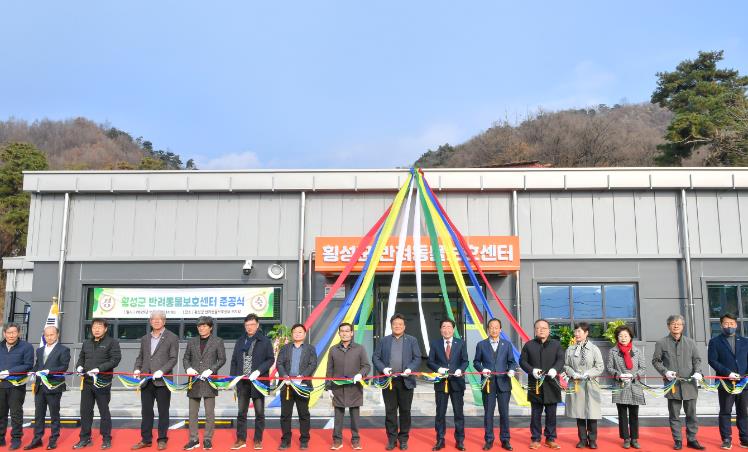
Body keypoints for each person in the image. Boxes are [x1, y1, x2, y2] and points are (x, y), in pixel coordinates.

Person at [652, 314, 705, 451]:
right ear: (668, 326)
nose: (676, 326)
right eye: (673, 323)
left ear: (683, 326)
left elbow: (697, 360)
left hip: (689, 384)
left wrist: (698, 372)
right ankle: (678, 440)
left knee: (691, 414)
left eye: (679, 323)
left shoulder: (690, 342)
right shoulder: (661, 343)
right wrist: (665, 372)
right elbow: (656, 361)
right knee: (674, 415)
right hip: (672, 384)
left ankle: (692, 439)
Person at [372, 313, 422, 451]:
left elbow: (417, 358)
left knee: (405, 411)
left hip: (406, 381)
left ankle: (403, 439)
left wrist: (410, 368)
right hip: (389, 381)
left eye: (400, 324)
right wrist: (383, 369)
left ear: (404, 326)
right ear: (391, 326)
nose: (397, 326)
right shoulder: (384, 341)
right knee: (390, 411)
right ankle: (392, 439)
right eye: (395, 324)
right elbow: (376, 357)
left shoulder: (412, 340)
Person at [131, 311, 179, 451]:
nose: (156, 321)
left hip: (163, 381)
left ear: (164, 321)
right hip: (146, 380)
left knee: (163, 411)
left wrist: (162, 371)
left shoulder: (172, 337)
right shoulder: (145, 338)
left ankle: (162, 439)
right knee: (146, 411)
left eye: (159, 319)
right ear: (150, 321)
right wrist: (137, 369)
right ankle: (146, 439)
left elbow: (173, 359)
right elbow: (140, 357)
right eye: (154, 319)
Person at [73, 319, 122, 450]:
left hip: (102, 382)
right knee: (85, 411)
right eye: (94, 327)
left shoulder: (112, 342)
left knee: (104, 411)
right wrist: (79, 366)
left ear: (105, 329)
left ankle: (106, 438)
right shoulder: (86, 343)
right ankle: (84, 438)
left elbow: (115, 360)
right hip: (87, 382)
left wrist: (99, 369)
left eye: (100, 327)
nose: (96, 329)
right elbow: (81, 358)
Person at [230, 314, 275, 450]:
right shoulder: (240, 341)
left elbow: (270, 359)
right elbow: (234, 360)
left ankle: (258, 440)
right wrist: (233, 378)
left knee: (259, 413)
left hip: (258, 382)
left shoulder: (265, 341)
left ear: (257, 325)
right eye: (247, 325)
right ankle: (241, 439)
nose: (249, 327)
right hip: (242, 382)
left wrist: (259, 371)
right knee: (241, 413)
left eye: (252, 324)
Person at [473, 318, 518, 451]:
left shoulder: (507, 344)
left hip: (504, 383)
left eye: (496, 327)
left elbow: (512, 362)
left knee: (504, 413)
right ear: (488, 329)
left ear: (500, 329)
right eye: (491, 327)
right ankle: (489, 440)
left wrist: (512, 370)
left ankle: (505, 440)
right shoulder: (481, 344)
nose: (493, 329)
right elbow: (476, 362)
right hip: (488, 384)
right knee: (488, 414)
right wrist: (482, 370)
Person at [182, 316, 226, 451]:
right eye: (199, 326)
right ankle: (193, 439)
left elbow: (222, 359)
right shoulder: (192, 341)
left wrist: (211, 370)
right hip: (194, 381)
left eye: (204, 326)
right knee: (192, 413)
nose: (201, 328)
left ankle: (207, 439)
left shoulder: (217, 341)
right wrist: (188, 368)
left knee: (209, 413)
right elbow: (186, 358)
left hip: (209, 380)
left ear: (210, 327)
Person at [520, 319, 564, 450]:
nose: (541, 330)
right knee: (535, 414)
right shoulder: (529, 345)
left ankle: (550, 438)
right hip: (535, 384)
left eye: (544, 328)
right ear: (535, 330)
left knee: (551, 414)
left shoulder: (556, 345)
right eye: (538, 328)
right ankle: (535, 439)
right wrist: (532, 370)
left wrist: (555, 369)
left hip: (552, 384)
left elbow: (561, 359)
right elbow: (522, 361)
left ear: (549, 330)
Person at [24, 326, 70, 451]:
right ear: (44, 336)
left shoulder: (63, 350)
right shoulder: (40, 350)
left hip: (54, 386)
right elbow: (38, 365)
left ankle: (53, 439)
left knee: (54, 414)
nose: (49, 337)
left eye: (52, 334)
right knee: (39, 415)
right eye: (46, 335)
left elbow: (64, 367)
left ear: (57, 335)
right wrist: (32, 371)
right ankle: (37, 439)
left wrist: (49, 371)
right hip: (39, 387)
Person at [326, 322, 371, 451]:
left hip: (354, 387)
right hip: (338, 387)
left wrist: (360, 374)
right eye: (342, 331)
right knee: (338, 415)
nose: (344, 333)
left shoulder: (360, 348)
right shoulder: (333, 349)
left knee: (355, 416)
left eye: (347, 331)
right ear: (339, 333)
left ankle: (355, 440)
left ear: (351, 333)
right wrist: (328, 387)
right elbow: (329, 369)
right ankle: (337, 441)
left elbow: (366, 366)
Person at [427, 318, 469, 452]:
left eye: (449, 326)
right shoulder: (435, 344)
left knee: (458, 413)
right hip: (441, 383)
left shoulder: (461, 343)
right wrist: (438, 368)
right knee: (440, 413)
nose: (446, 329)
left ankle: (460, 441)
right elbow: (430, 361)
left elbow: (465, 361)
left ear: (453, 329)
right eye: (444, 327)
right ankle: (440, 440)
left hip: (457, 383)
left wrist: (460, 370)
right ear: (440, 329)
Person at [708, 313, 748, 450]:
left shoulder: (745, 341)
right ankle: (726, 439)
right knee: (725, 411)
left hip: (743, 383)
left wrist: (745, 375)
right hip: (726, 383)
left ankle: (745, 438)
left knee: (743, 412)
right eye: (726, 323)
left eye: (731, 323)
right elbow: (712, 360)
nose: (729, 326)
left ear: (736, 325)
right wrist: (728, 373)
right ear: (721, 325)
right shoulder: (715, 342)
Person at [276, 324, 317, 451]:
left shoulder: (310, 349)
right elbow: (279, 363)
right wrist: (284, 376)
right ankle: (285, 440)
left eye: (300, 332)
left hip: (302, 385)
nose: (297, 334)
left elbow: (312, 364)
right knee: (285, 414)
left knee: (303, 414)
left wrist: (302, 376)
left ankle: (304, 440)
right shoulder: (285, 348)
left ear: (304, 334)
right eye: (295, 332)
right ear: (292, 334)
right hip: (287, 385)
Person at [563, 322, 604, 449]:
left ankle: (592, 440)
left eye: (579, 331)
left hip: (591, 383)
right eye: (575, 331)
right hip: (576, 384)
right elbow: (565, 365)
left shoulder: (594, 349)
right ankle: (582, 439)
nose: (576, 334)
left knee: (592, 413)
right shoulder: (570, 349)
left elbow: (599, 366)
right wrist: (572, 373)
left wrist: (589, 373)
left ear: (586, 333)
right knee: (579, 412)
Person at [607, 324, 646, 450]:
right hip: (620, 385)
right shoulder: (613, 351)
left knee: (634, 414)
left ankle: (634, 438)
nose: (623, 338)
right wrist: (619, 375)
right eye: (620, 336)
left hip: (635, 386)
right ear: (617, 338)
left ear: (630, 337)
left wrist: (633, 375)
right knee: (622, 414)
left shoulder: (637, 351)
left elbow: (643, 368)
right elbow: (609, 368)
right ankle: (626, 439)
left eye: (626, 336)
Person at [0, 322, 34, 450]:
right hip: (1, 385)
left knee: (16, 414)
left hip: (16, 386)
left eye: (14, 332)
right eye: (8, 333)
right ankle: (1, 438)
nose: (11, 335)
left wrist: (9, 372)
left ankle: (16, 439)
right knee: (1, 413)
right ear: (4, 333)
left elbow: (28, 364)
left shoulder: (26, 347)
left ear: (18, 333)